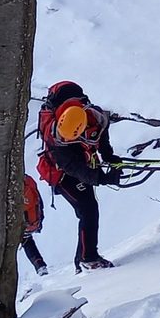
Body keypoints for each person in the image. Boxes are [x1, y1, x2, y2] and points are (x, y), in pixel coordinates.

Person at [38, 80, 123, 271]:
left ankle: (84, 259)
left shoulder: (94, 117)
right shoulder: (54, 135)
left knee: (88, 209)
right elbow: (71, 166)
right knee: (88, 209)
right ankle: (88, 258)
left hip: (82, 164)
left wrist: (108, 156)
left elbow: (101, 134)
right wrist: (102, 178)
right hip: (62, 173)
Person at [21, 174, 49, 276]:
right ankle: (40, 265)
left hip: (20, 222)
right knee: (27, 240)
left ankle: (40, 266)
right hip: (31, 222)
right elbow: (38, 200)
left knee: (25, 241)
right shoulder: (27, 180)